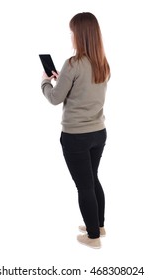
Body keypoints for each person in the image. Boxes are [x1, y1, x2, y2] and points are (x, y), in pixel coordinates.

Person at [41, 12, 110, 249]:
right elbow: (84, 92)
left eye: (72, 32)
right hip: (98, 133)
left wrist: (45, 82)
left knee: (85, 186)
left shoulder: (73, 63)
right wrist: (64, 81)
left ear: (79, 35)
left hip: (75, 137)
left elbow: (55, 98)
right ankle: (98, 225)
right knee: (93, 179)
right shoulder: (102, 62)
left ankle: (92, 238)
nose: (71, 36)